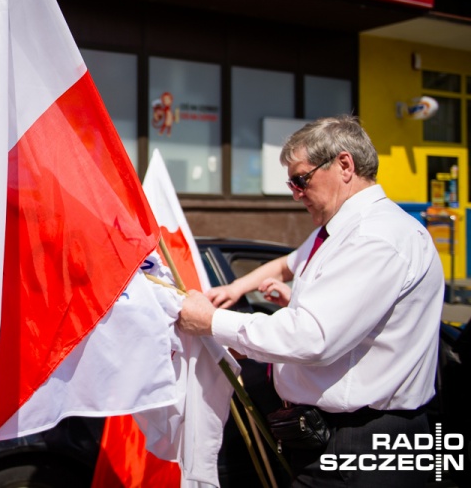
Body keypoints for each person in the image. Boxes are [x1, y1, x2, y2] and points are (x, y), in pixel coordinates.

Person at [178, 115, 444, 487]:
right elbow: (297, 278)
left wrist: (211, 322)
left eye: (301, 179)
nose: (295, 193)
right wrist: (238, 295)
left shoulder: (375, 237)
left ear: (345, 165)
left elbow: (311, 337)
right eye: (291, 182)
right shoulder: (343, 230)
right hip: (337, 438)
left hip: (361, 445)